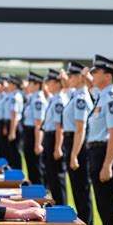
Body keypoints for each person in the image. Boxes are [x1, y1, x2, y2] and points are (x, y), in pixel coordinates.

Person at [85, 55, 113, 225]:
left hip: (106, 154)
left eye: (96, 72)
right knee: (103, 206)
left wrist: (107, 165)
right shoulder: (102, 96)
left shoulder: (112, 98)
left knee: (109, 209)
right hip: (97, 153)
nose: (93, 74)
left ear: (108, 76)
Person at [61, 62, 94, 225]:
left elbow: (80, 129)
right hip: (71, 141)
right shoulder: (74, 95)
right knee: (77, 189)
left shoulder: (81, 98)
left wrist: (74, 154)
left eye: (72, 75)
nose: (69, 78)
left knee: (82, 191)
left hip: (78, 144)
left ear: (80, 78)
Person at [42, 68, 69, 205]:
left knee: (57, 179)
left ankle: (61, 208)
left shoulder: (59, 100)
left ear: (58, 83)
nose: (48, 84)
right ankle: (57, 206)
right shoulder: (54, 99)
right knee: (51, 177)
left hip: (55, 139)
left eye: (50, 82)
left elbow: (60, 126)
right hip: (49, 137)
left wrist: (58, 147)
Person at [22, 71, 48, 185]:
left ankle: (40, 195)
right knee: (30, 165)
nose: (28, 85)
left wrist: (38, 143)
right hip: (29, 132)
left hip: (34, 134)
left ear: (37, 84)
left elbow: (39, 123)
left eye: (31, 83)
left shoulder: (38, 99)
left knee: (36, 167)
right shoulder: (32, 98)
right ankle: (34, 192)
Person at [7, 75, 24, 169]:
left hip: (16, 125)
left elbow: (14, 115)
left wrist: (12, 132)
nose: (8, 85)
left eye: (10, 83)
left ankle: (17, 172)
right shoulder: (14, 95)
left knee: (15, 151)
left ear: (14, 85)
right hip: (15, 124)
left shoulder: (16, 97)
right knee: (13, 151)